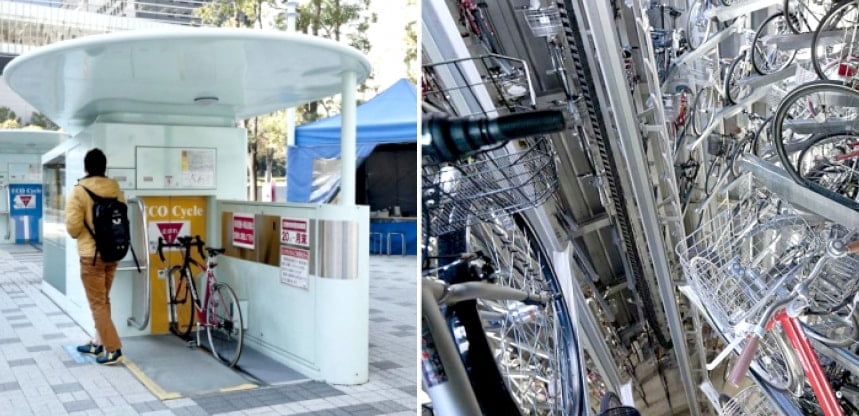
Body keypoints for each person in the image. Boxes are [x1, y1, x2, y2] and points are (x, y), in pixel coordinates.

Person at [65, 148, 125, 365]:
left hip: (91, 256)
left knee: (97, 303)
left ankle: (113, 348)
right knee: (103, 300)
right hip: (113, 254)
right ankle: (97, 342)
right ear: (104, 167)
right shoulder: (115, 189)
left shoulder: (79, 191)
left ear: (86, 167)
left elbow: (72, 228)